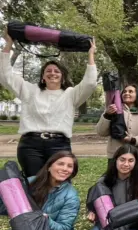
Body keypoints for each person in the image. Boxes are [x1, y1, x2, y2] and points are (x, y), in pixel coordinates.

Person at [0, 31, 97, 177]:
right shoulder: (29, 90)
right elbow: (6, 77)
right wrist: (8, 45)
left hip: (59, 145)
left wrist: (91, 54)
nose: (52, 73)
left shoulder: (71, 94)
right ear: (43, 77)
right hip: (30, 146)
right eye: (48, 71)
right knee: (34, 183)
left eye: (56, 71)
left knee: (59, 183)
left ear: (62, 76)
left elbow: (89, 83)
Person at [0, 151, 80, 230]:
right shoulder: (32, 182)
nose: (65, 168)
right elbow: (8, 209)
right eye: (60, 164)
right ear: (49, 166)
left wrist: (45, 220)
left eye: (70, 166)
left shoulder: (71, 196)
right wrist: (6, 197)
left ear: (72, 172)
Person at [87, 145, 138, 230]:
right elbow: (93, 202)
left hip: (130, 225)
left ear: (136, 162)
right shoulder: (103, 181)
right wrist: (91, 212)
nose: (126, 164)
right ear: (115, 160)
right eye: (122, 159)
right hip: (108, 226)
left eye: (130, 160)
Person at [96, 84, 138, 175]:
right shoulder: (112, 110)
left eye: (130, 91)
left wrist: (133, 139)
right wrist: (107, 115)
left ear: (137, 95)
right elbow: (101, 132)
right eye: (124, 91)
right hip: (116, 155)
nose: (126, 93)